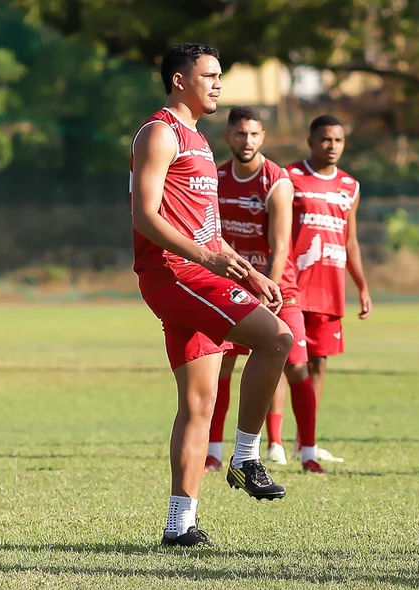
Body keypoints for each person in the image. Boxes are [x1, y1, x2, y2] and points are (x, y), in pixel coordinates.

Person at [130, 43, 291, 548]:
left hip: (196, 272)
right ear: (180, 81)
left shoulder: (198, 140)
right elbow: (145, 217)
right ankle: (245, 456)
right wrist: (209, 261)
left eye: (220, 76)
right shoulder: (161, 133)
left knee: (199, 405)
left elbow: (206, 231)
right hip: (174, 274)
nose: (219, 84)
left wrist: (248, 273)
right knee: (277, 339)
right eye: (210, 75)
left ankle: (180, 525)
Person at [206, 105, 324, 475]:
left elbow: (281, 247)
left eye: (254, 134)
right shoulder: (215, 178)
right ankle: (213, 451)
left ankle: (308, 453)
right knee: (221, 364)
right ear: (227, 137)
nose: (247, 140)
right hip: (232, 286)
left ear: (263, 137)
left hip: (278, 287)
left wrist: (266, 292)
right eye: (240, 134)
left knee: (297, 368)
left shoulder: (276, 180)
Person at [287, 114, 373, 463]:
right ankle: (275, 443)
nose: (332, 146)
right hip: (293, 284)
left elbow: (350, 241)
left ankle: (303, 443)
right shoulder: (289, 177)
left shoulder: (349, 186)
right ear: (310, 141)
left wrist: (362, 286)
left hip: (329, 290)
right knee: (286, 362)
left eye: (337, 140)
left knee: (318, 366)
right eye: (325, 139)